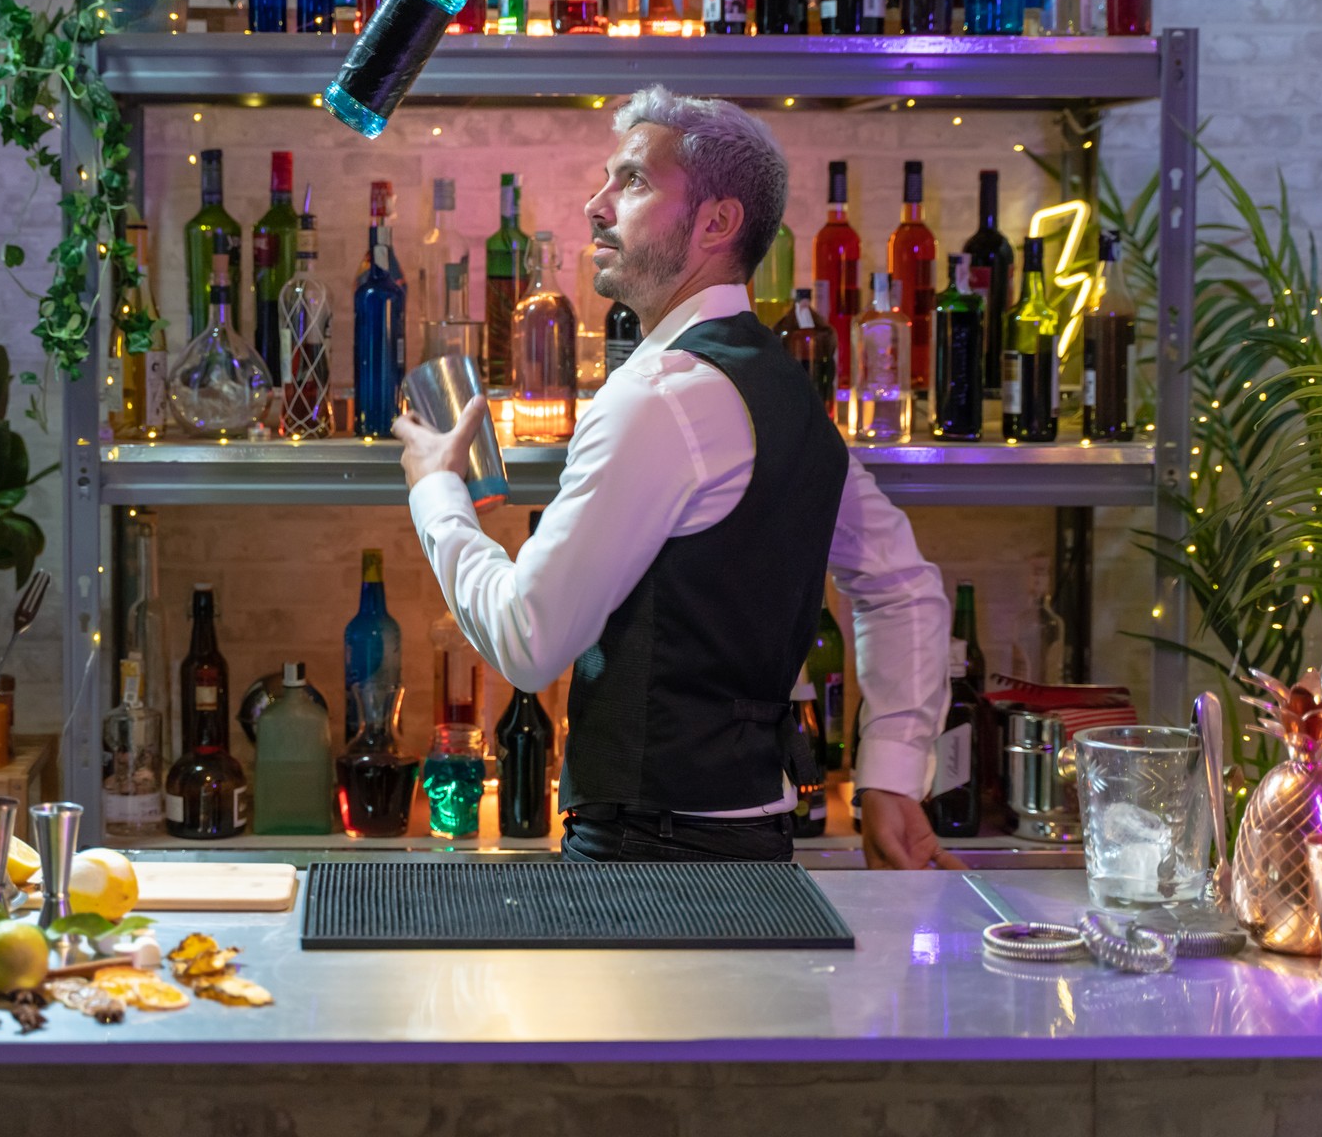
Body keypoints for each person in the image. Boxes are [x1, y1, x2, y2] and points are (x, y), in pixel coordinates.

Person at [392, 85, 959, 869]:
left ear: (717, 223)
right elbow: (902, 585)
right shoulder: (785, 389)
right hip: (760, 840)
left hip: (649, 850)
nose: (595, 205)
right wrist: (893, 776)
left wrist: (436, 491)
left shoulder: (660, 394)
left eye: (631, 181)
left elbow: (528, 639)